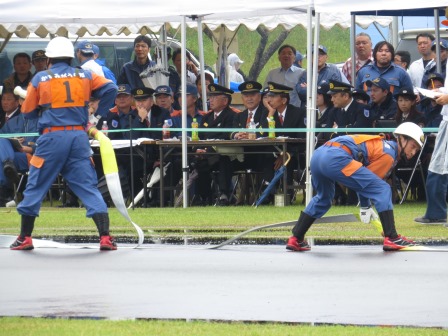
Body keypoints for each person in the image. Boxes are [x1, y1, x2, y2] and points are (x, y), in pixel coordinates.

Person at [9, 36, 118, 251]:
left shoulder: (41, 78)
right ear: (71, 57)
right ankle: (105, 237)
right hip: (78, 137)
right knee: (87, 186)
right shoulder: (86, 74)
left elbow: (27, 112)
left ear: (49, 58)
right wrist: (95, 111)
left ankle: (25, 237)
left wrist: (44, 108)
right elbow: (111, 88)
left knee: (37, 183)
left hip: (52, 137)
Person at [286, 122, 425, 252]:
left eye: (416, 150)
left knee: (323, 199)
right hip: (335, 157)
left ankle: (296, 238)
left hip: (318, 155)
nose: (413, 153)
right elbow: (367, 185)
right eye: (413, 146)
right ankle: (392, 237)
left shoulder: (381, 144)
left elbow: (364, 182)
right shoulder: (388, 154)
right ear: (402, 139)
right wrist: (365, 206)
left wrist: (365, 206)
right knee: (383, 189)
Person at [414, 61, 448, 225]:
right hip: (446, 121)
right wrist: (439, 91)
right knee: (436, 168)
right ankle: (436, 212)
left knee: (440, 169)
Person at [196, 83, 236, 206]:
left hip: (224, 153)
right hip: (206, 153)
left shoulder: (232, 116)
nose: (210, 100)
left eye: (214, 97)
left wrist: (208, 147)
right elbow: (200, 136)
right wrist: (199, 149)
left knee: (223, 159)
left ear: (225, 101)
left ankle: (224, 194)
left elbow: (227, 135)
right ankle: (204, 197)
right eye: (210, 97)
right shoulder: (206, 117)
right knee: (197, 162)